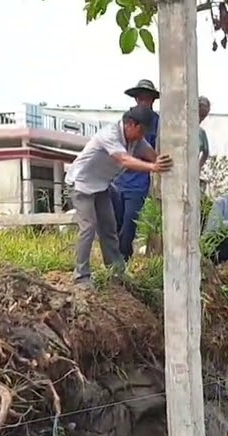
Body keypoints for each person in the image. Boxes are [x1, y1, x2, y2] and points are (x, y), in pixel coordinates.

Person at [65, 106, 169, 288]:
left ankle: (116, 271)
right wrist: (153, 168)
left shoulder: (137, 140)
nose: (142, 136)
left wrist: (162, 162)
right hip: (81, 184)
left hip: (101, 186)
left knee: (109, 227)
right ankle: (81, 276)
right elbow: (124, 160)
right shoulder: (110, 135)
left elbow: (152, 156)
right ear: (130, 124)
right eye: (141, 131)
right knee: (88, 227)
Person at [111, 79, 160, 261]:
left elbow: (155, 151)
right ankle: (114, 260)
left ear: (152, 101)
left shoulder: (158, 122)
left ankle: (124, 259)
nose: (143, 102)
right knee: (115, 222)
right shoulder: (128, 119)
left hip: (139, 181)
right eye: (140, 98)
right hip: (119, 179)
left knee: (130, 223)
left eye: (147, 99)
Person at [198, 96, 211, 171]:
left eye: (204, 116)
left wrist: (198, 166)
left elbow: (206, 153)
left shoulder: (201, 133)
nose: (201, 119)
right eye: (200, 115)